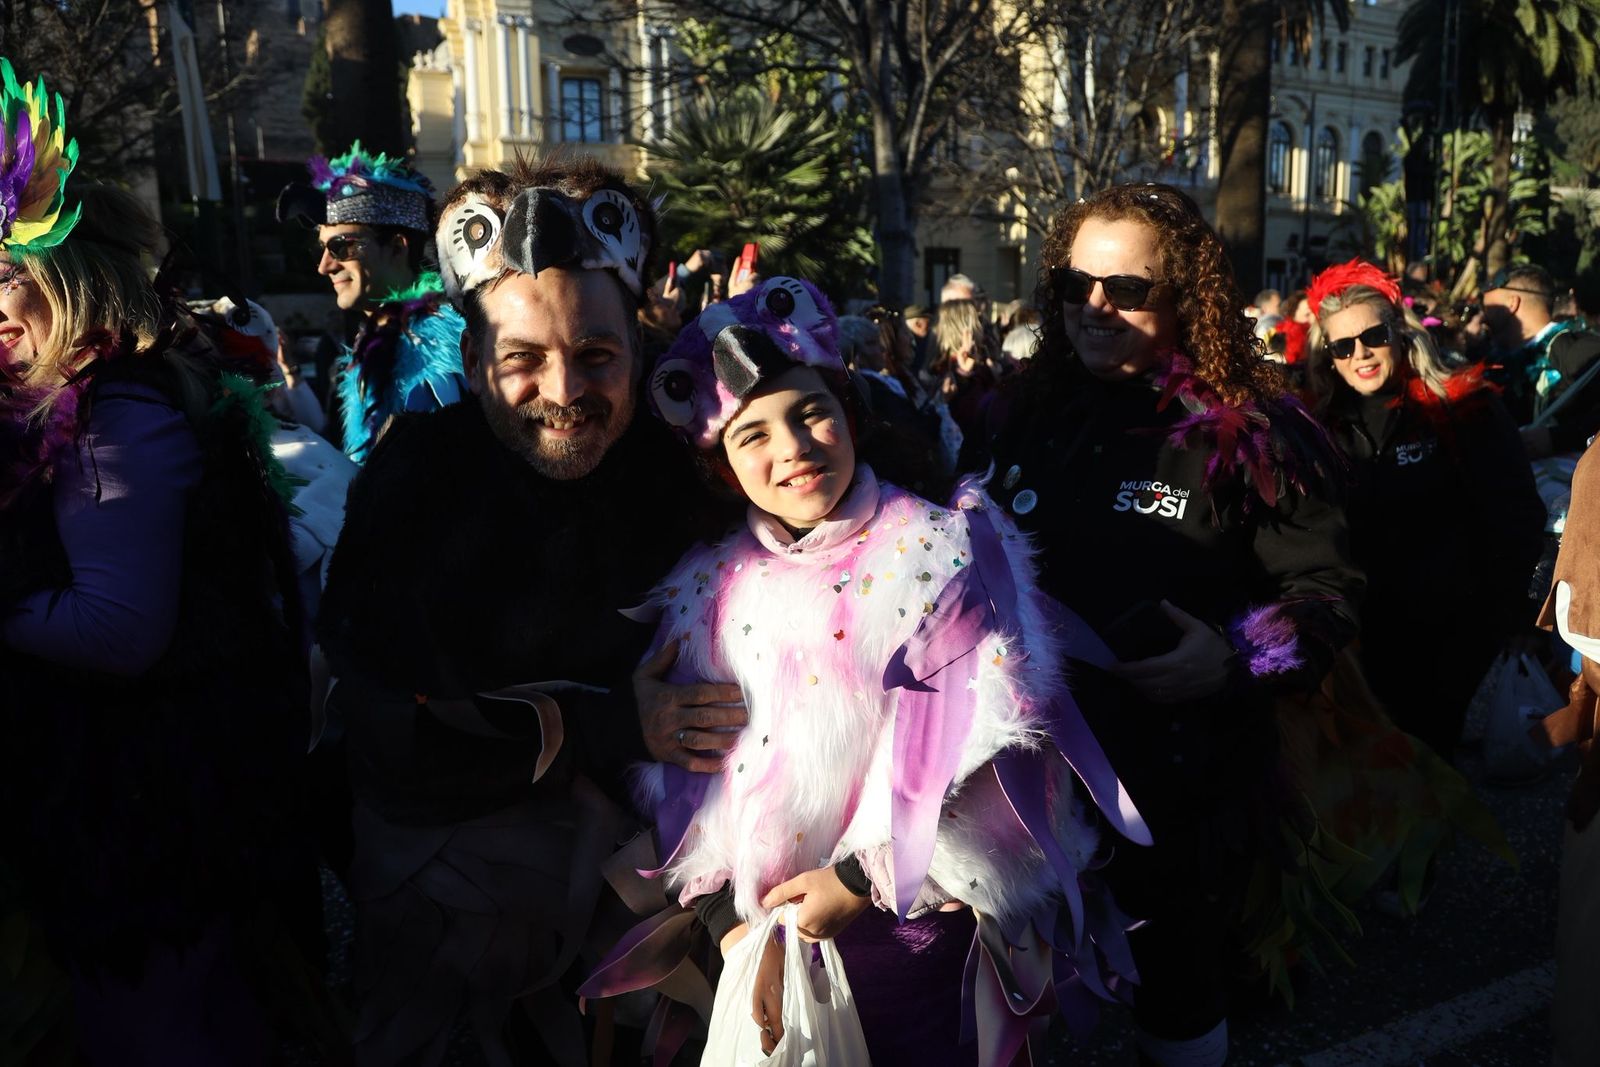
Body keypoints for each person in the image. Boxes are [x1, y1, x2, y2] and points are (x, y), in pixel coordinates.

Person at [599, 275, 1146, 1065]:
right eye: (753, 434)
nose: (792, 448)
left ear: (849, 414)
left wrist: (862, 878)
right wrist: (734, 923)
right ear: (722, 465)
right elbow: (696, 778)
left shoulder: (942, 553)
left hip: (920, 931)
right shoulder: (706, 591)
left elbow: (1006, 753)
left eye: (810, 411)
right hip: (779, 943)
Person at [315, 155, 741, 1066]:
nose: (562, 392)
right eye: (522, 358)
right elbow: (391, 738)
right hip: (464, 962)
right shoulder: (415, 486)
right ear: (474, 362)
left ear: (640, 342)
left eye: (595, 355)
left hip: (657, 954)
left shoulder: (697, 469)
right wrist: (611, 725)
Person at [978, 183, 1363, 1067]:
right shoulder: (1024, 409)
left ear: (1188, 294)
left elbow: (1328, 589)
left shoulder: (1259, 431)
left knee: (1177, 997)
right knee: (1022, 1001)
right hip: (1024, 779)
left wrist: (1234, 658)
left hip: (1178, 786)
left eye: (1129, 289)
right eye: (1077, 286)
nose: (1096, 307)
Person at [0, 59, 316, 1063]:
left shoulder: (113, 418)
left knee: (153, 1029)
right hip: (155, 804)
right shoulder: (109, 400)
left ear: (68, 271)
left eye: (3, 270)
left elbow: (118, 629)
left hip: (138, 819)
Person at [1303, 260, 1546, 758]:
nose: (1361, 354)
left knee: (1427, 753)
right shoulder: (1315, 423)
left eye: (1373, 335)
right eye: (1342, 345)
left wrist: (1495, 616)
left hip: (1450, 629)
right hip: (1360, 630)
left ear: (1400, 333)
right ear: (1327, 356)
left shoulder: (1461, 407)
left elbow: (1516, 513)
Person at [277, 141, 467, 462]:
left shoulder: (445, 344)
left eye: (341, 246)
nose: (324, 266)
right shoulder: (378, 336)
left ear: (397, 247)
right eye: (321, 249)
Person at [1478, 263, 1600, 459]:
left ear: (1512, 303)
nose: (1483, 317)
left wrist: (1557, 439)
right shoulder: (1495, 361)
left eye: (1488, 307)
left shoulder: (1574, 348)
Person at [931, 296, 1001, 442]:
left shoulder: (977, 366)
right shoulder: (948, 371)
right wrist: (965, 376)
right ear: (965, 329)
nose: (982, 327)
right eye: (977, 321)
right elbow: (973, 417)